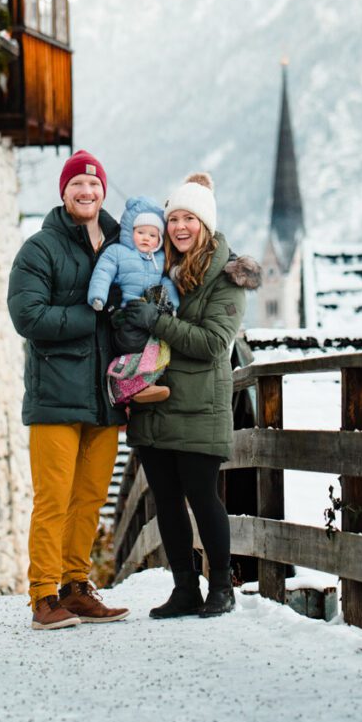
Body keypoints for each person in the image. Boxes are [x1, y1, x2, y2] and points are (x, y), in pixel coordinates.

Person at [121, 172, 261, 618]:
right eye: (174, 218)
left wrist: (155, 321)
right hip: (155, 400)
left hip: (200, 404)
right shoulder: (157, 266)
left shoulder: (229, 276)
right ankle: (185, 588)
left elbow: (212, 343)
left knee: (203, 496)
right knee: (166, 500)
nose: (180, 227)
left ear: (206, 223)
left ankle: (222, 585)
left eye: (190, 218)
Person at [7, 149, 129, 630]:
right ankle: (43, 595)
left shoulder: (121, 245)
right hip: (56, 396)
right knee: (54, 499)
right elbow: (28, 316)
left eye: (94, 184)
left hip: (104, 397)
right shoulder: (40, 248)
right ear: (64, 193)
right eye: (77, 184)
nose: (87, 191)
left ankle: (76, 588)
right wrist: (92, 314)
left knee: (90, 498)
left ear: (102, 191)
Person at [88, 196, 180, 405]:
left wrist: (172, 306)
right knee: (134, 343)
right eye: (141, 233)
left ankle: (141, 384)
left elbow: (168, 283)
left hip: (151, 316)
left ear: (160, 239)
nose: (146, 238)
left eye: (153, 235)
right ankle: (122, 382)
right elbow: (103, 272)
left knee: (159, 349)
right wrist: (98, 297)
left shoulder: (160, 260)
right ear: (130, 233)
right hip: (126, 315)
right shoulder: (118, 253)